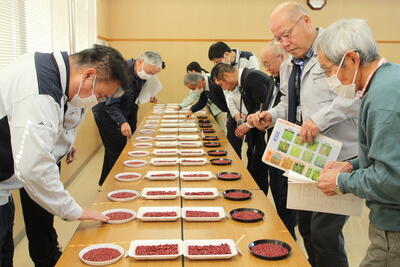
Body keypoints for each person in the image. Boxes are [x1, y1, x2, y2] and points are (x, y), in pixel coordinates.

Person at [249, 2, 359, 267]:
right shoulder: (288, 65)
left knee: (325, 234)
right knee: (307, 228)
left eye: (287, 34)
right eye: (278, 38)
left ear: (307, 22)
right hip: (307, 157)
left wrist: (318, 120)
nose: (284, 43)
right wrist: (271, 116)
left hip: (341, 155)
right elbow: (290, 102)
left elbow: (354, 95)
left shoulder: (335, 48)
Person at [0, 44, 130, 267]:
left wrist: (64, 144)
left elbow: (60, 118)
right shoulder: (38, 90)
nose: (97, 101)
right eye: (100, 95)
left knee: (4, 251)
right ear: (89, 75)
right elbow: (33, 168)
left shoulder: (57, 74)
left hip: (5, 182)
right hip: (7, 176)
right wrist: (75, 210)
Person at [316, 18, 400, 267]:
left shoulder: (382, 101)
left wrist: (341, 182)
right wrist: (352, 165)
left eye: (328, 70)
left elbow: (392, 179)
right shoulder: (388, 79)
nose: (329, 79)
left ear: (352, 59)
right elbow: (384, 150)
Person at [92, 51, 164, 186]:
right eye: (150, 72)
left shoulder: (140, 73)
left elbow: (133, 97)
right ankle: (113, 185)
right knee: (117, 151)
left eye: (154, 74)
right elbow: (111, 104)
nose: (150, 76)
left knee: (119, 150)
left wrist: (148, 95)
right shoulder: (121, 72)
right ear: (140, 62)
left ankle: (105, 182)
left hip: (125, 109)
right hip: (107, 114)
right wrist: (123, 122)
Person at [211, 63, 273, 196]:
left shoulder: (252, 78)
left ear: (227, 76)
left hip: (266, 130)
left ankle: (260, 198)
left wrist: (248, 125)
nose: (224, 89)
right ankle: (255, 195)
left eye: (221, 84)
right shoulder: (244, 80)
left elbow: (263, 107)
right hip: (256, 128)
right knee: (252, 164)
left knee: (258, 168)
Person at [259, 41, 297, 239]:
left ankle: (289, 239)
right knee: (279, 198)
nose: (266, 68)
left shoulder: (293, 77)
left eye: (268, 63)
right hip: (275, 148)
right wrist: (266, 115)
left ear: (282, 58)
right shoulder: (274, 80)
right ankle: (285, 236)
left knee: (288, 203)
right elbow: (281, 106)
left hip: (292, 150)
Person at [208, 42, 260, 158]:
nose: (217, 65)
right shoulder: (223, 72)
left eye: (218, 61)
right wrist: (236, 114)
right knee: (232, 146)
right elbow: (227, 93)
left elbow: (252, 85)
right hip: (235, 111)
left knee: (252, 151)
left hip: (251, 112)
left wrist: (247, 117)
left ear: (226, 54)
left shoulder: (248, 58)